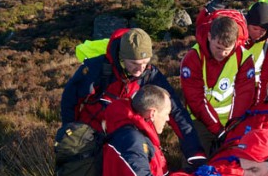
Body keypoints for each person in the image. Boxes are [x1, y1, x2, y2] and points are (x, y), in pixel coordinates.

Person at [60, 27, 206, 164]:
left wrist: (194, 152)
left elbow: (175, 111)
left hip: (127, 143)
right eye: (135, 63)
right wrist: (72, 138)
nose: (140, 69)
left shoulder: (149, 74)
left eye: (145, 62)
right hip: (91, 142)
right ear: (122, 58)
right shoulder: (96, 69)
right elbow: (70, 101)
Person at [180, 11, 257, 157]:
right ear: (209, 37)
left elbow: (244, 95)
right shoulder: (193, 58)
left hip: (232, 122)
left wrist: (232, 127)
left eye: (227, 50)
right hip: (200, 120)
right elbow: (195, 100)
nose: (222, 54)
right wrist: (217, 129)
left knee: (236, 163)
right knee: (196, 161)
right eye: (218, 48)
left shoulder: (244, 58)